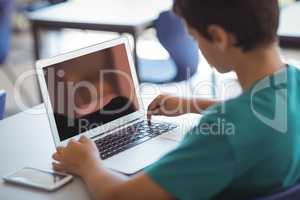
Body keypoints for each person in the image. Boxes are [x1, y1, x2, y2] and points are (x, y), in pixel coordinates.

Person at [52, 0, 300, 199]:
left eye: (194, 37)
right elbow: (259, 115)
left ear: (219, 37)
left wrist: (88, 164)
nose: (197, 46)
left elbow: (119, 195)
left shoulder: (221, 136)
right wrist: (192, 104)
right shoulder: (291, 81)